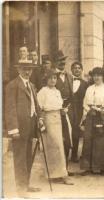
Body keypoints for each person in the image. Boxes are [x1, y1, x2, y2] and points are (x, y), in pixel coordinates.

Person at [5, 60, 43, 195]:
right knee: (20, 158)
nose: (27, 72)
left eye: (30, 69)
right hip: (19, 129)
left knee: (28, 157)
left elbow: (36, 104)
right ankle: (20, 189)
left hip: (31, 126)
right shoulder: (13, 86)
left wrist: (40, 119)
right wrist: (14, 129)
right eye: (24, 69)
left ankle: (26, 184)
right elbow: (10, 109)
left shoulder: (31, 85)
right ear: (18, 70)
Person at [37, 69, 73, 185]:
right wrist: (41, 121)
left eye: (54, 78)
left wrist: (63, 110)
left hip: (58, 119)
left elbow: (58, 106)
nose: (53, 80)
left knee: (60, 146)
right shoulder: (43, 92)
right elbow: (40, 108)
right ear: (46, 79)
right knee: (53, 146)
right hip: (48, 120)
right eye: (50, 78)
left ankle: (60, 174)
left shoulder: (57, 91)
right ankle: (55, 174)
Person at [80, 67, 104, 175]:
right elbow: (85, 103)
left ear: (103, 77)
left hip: (102, 117)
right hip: (91, 116)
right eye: (94, 75)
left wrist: (101, 110)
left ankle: (102, 167)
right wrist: (90, 110)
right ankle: (88, 167)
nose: (96, 77)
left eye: (99, 75)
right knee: (88, 141)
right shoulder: (89, 89)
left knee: (101, 142)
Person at [54, 50, 74, 172]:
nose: (62, 62)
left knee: (67, 141)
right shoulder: (50, 76)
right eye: (59, 60)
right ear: (55, 62)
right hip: (55, 113)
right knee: (57, 142)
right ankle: (57, 171)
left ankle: (65, 169)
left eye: (63, 60)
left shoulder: (69, 76)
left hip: (67, 112)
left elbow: (71, 96)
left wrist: (68, 109)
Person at [69, 61, 88, 162]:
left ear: (81, 70)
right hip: (70, 109)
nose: (77, 70)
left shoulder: (85, 84)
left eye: (79, 68)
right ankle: (66, 154)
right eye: (75, 68)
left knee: (78, 132)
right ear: (71, 70)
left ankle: (75, 155)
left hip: (80, 109)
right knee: (69, 131)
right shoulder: (67, 81)